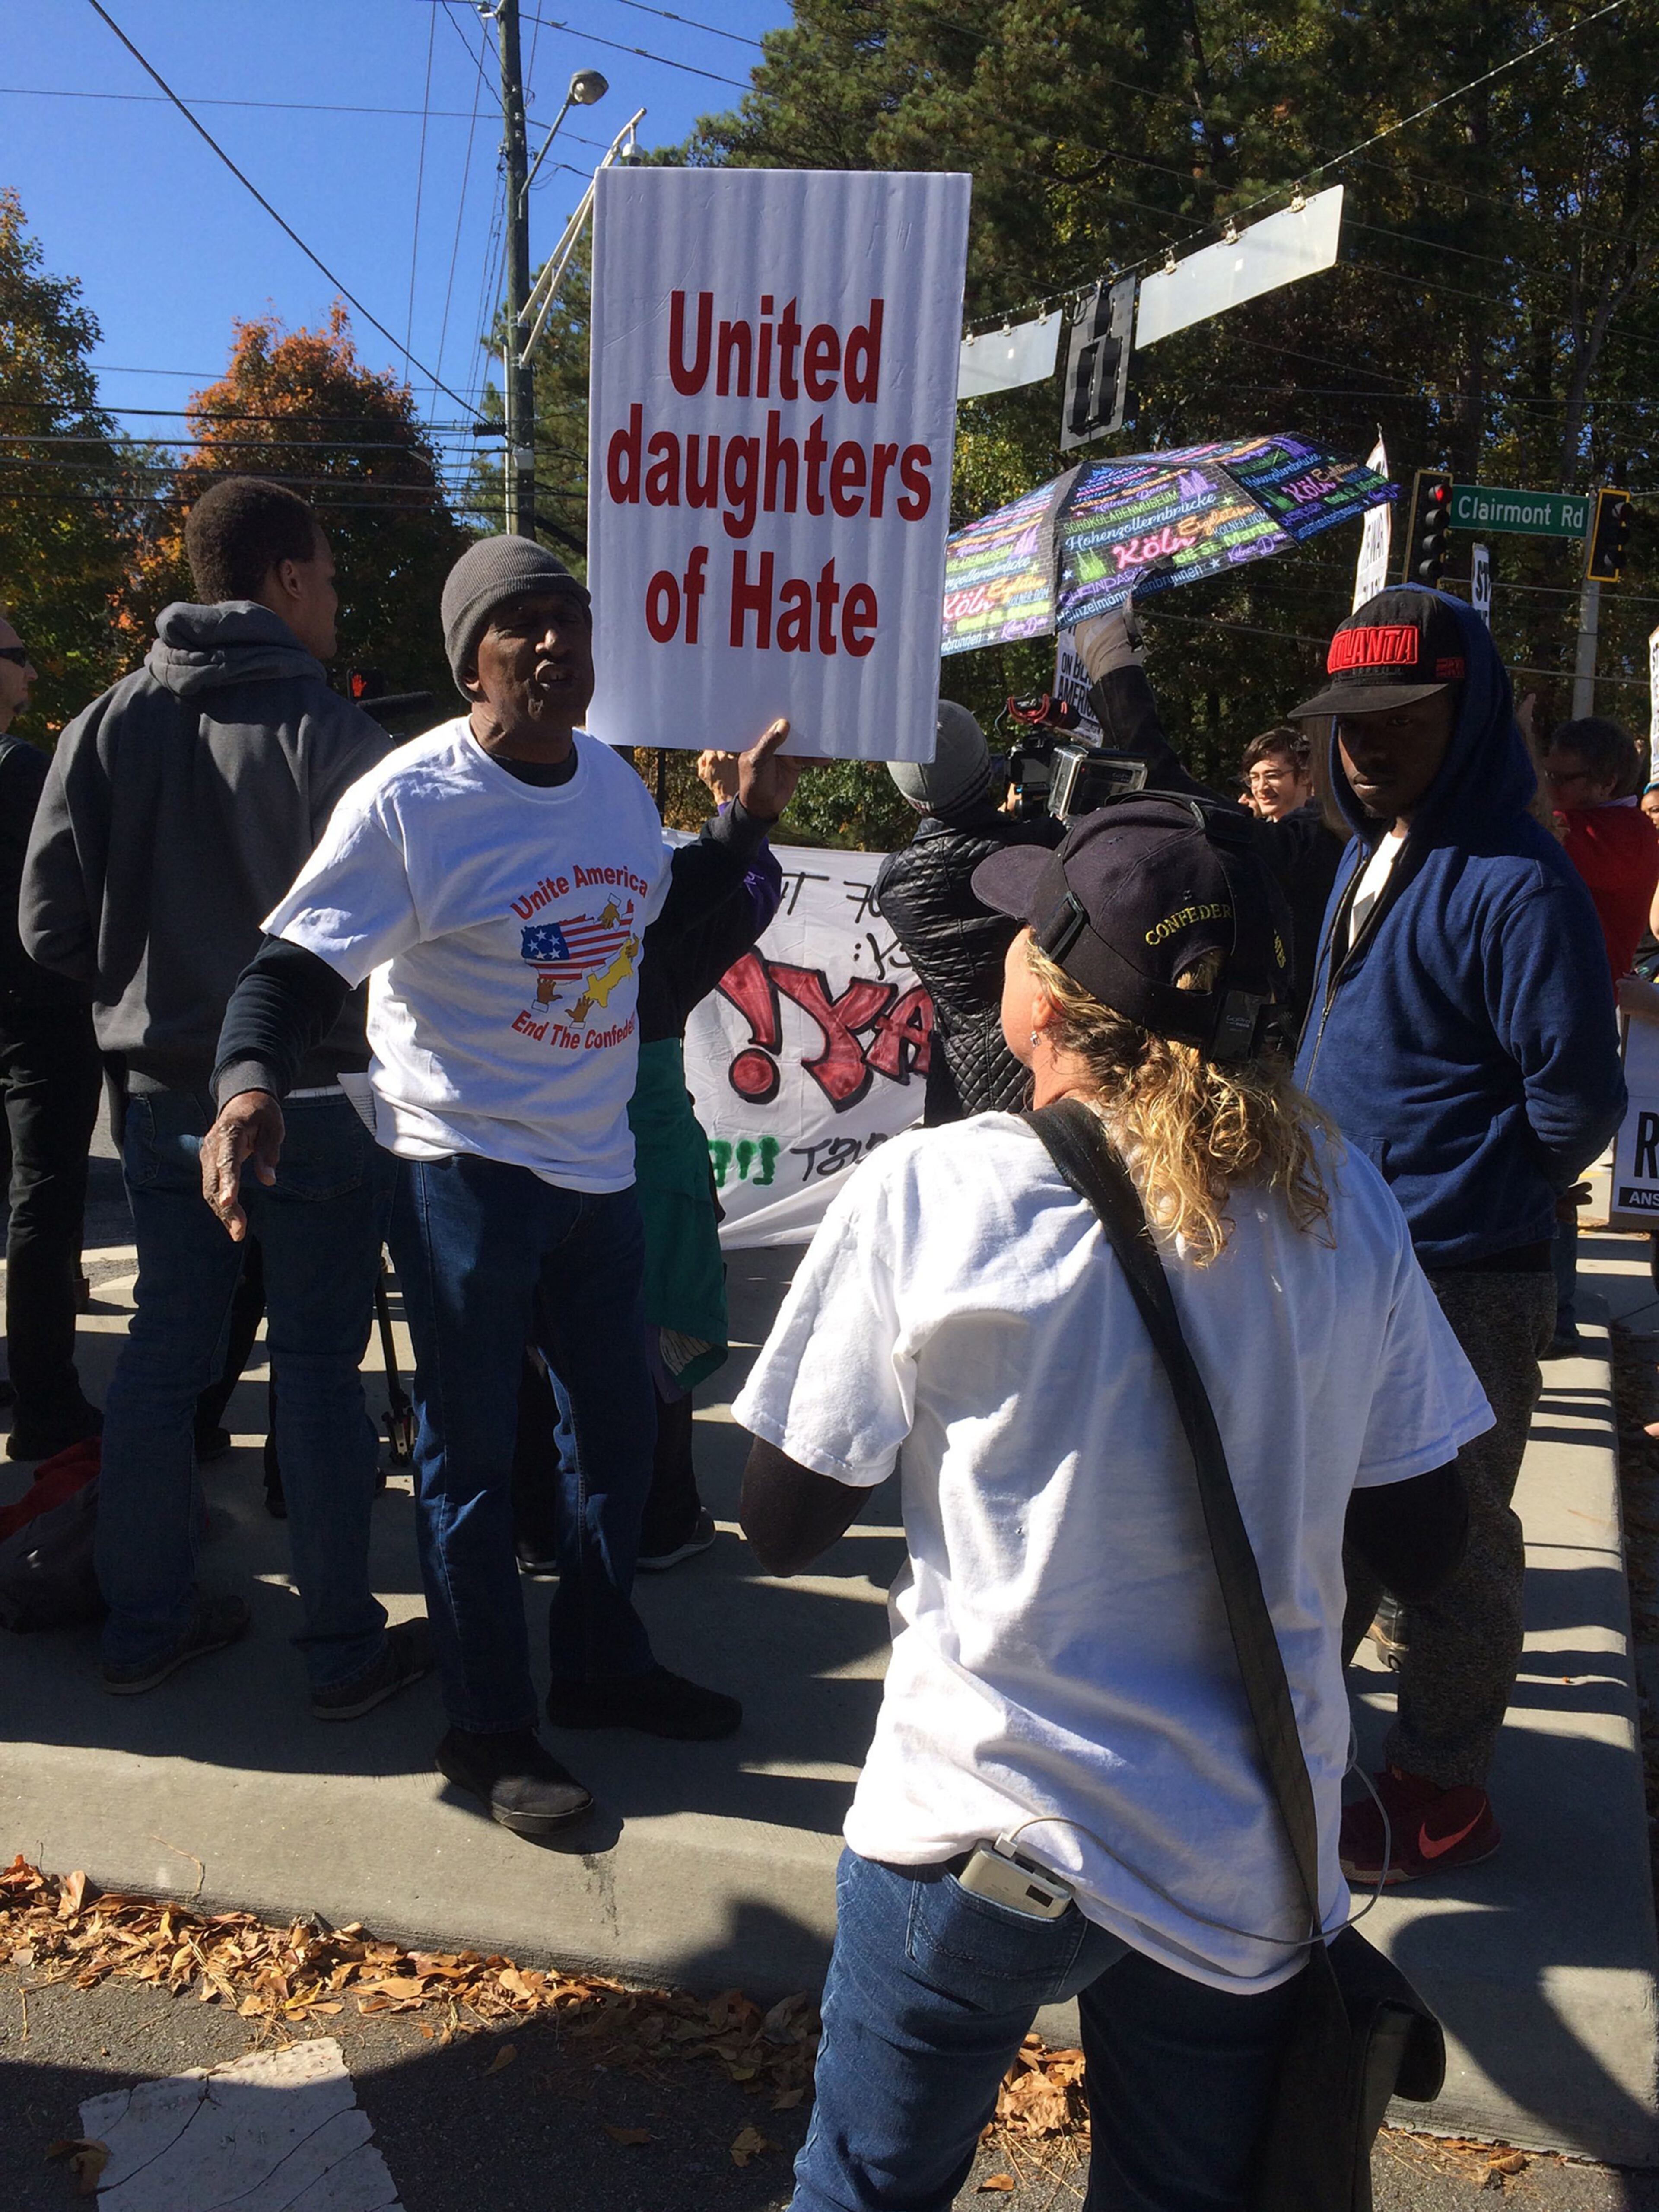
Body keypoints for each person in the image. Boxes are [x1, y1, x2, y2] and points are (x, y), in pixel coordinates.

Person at [735, 793, 1486, 2212]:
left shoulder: (932, 1192)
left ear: (1045, 1001)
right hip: (1231, 1852)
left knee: (864, 2188)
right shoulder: (1347, 1207)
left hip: (973, 1822)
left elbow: (782, 1519)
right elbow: (1432, 1539)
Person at [200, 534, 803, 1841]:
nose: (549, 646)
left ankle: (597, 1660)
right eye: (516, 626)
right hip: (464, 1176)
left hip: (598, 1170)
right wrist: (248, 1076)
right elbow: (291, 967)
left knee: (622, 1435)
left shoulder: (604, 783)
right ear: (469, 660)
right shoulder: (411, 801)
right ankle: (485, 1723)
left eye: (568, 623)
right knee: (470, 1463)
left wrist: (739, 825)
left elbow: (640, 933)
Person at [20, 476, 425, 1716]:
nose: (339, 604)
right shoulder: (342, 741)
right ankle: (343, 1647)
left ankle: (144, 1621)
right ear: (288, 579)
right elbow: (403, 942)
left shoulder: (104, 722)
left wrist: (150, 989)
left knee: (161, 1353)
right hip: (312, 1096)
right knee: (315, 1358)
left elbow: (45, 926)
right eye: (333, 579)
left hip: (156, 1096)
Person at [1282, 586, 1624, 1884]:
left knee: (1458, 1530)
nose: (1363, 743)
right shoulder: (1374, 846)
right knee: (1339, 1513)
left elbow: (1575, 1093)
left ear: (1467, 711)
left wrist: (1483, 1193)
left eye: (1399, 716)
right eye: (1346, 720)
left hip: (1460, 1275)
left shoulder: (1513, 878)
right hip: (1349, 1259)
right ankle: (1303, 1737)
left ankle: (1442, 1786)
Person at [513, 746, 783, 1578]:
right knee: (650, 1335)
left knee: (540, 1340)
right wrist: (735, 808)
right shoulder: (656, 921)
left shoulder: (512, 912)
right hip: (643, 1169)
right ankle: (659, 1515)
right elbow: (752, 892)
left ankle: (540, 1523)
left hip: (530, 1156)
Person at [1071, 614, 1343, 1023]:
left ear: (1308, 773)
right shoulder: (1314, 836)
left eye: (1274, 775)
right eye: (1255, 778)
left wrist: (1111, 659)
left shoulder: (1316, 842)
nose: (1262, 787)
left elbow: (1163, 778)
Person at [0, 605, 103, 1461]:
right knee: (44, 1201)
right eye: (19, 654)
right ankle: (45, 1399)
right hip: (37, 1018)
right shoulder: (25, 774)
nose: (31, 673)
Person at [875, 702, 1064, 1122]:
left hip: (956, 1083)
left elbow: (963, 860)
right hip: (1045, 1059)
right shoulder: (1045, 847)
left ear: (911, 798)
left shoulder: (894, 885)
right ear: (988, 769)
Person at [1239, 723, 1314, 819]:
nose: (1261, 788)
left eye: (1272, 776)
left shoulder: (1327, 829)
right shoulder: (1258, 832)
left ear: (1305, 776)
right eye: (1255, 779)